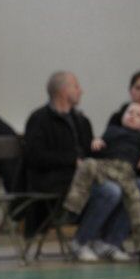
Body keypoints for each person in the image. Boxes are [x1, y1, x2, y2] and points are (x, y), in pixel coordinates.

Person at [63, 102, 140, 260]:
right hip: (104, 170)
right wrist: (96, 142)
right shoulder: (112, 131)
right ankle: (81, 239)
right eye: (130, 112)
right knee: (111, 189)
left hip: (126, 174)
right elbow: (93, 150)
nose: (132, 116)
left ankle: (110, 243)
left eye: (138, 115)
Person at [24, 71, 93, 241]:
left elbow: (89, 151)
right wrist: (72, 161)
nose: (81, 91)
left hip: (77, 177)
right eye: (76, 86)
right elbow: (34, 156)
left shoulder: (81, 120)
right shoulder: (39, 119)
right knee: (107, 192)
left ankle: (107, 240)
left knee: (121, 186)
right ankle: (84, 241)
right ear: (63, 90)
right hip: (51, 180)